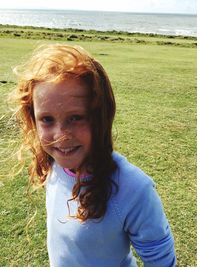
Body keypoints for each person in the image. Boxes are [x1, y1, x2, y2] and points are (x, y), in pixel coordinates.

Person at [15, 43, 176, 267]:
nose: (60, 136)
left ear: (101, 116)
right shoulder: (56, 164)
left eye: (76, 117)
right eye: (47, 119)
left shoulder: (133, 188)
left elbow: (161, 259)